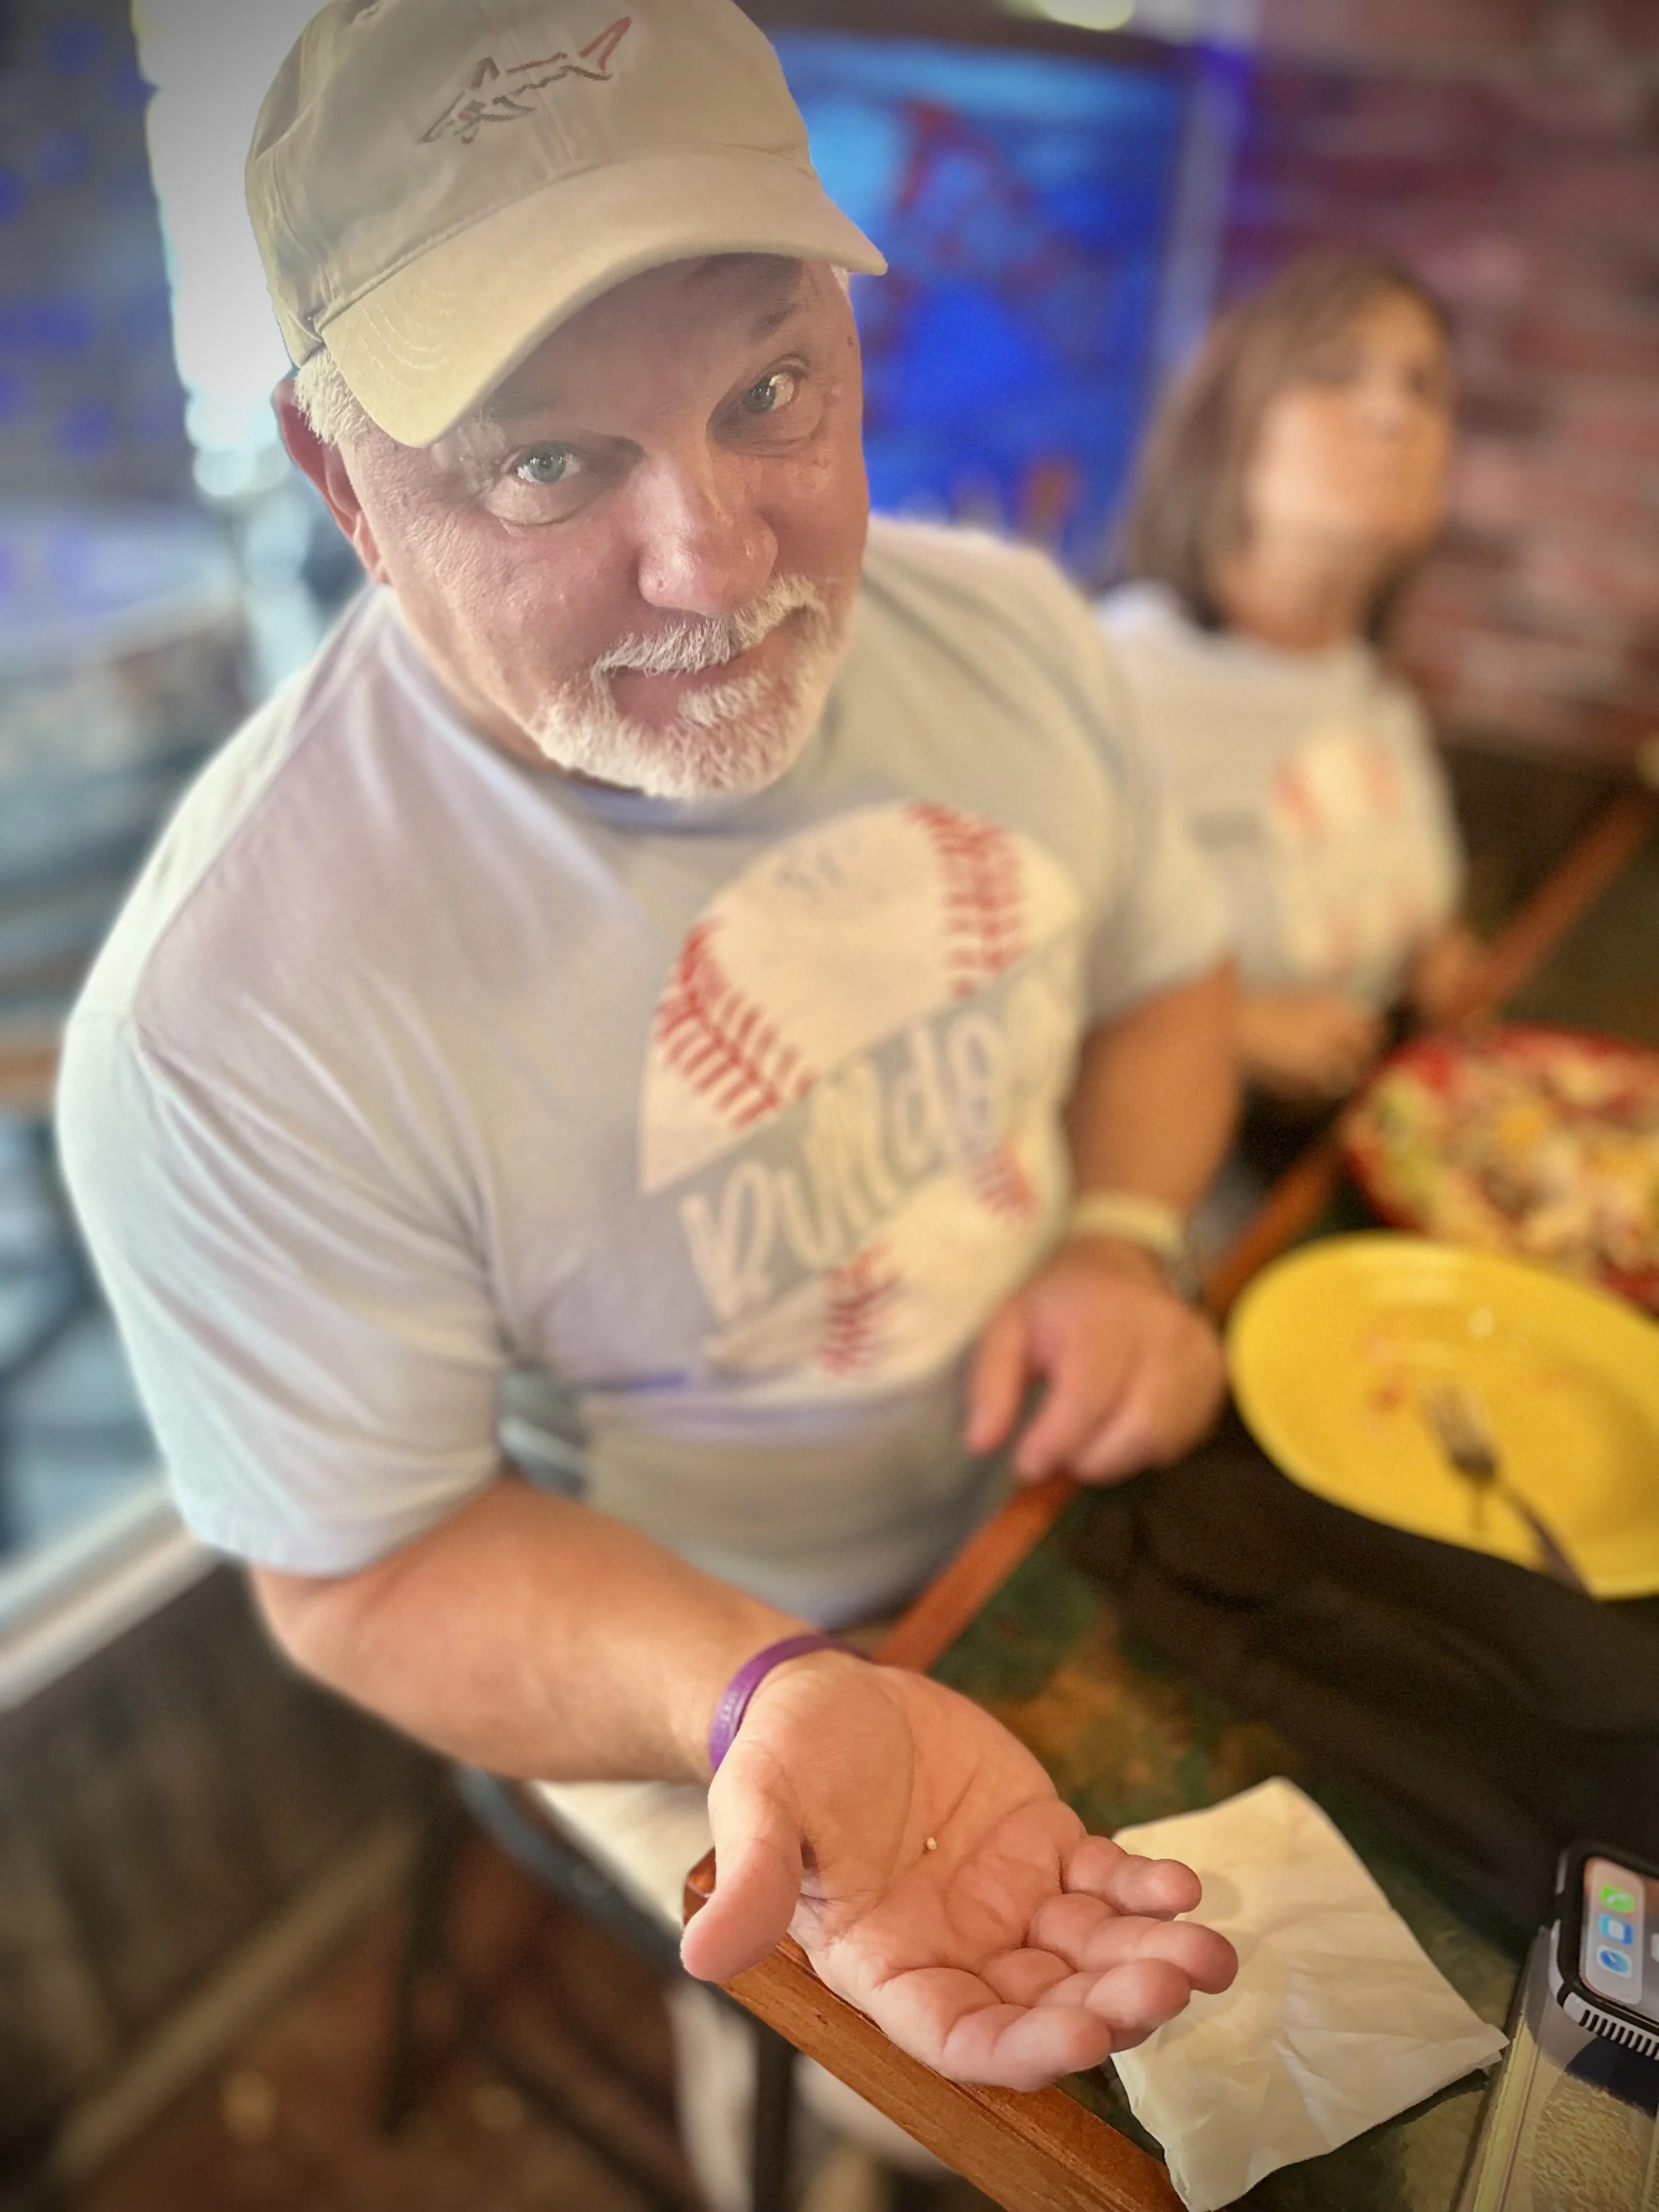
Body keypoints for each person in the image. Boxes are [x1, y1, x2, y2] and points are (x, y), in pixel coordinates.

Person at [56, 0, 1242, 2126]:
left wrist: (1130, 1233)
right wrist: (752, 1686)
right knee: (956, 2102)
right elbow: (371, 1559)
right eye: (541, 457)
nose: (715, 563)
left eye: (768, 387)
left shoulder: (1019, 638)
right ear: (337, 474)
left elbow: (1165, 980)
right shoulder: (233, 1017)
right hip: (692, 1666)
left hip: (1076, 1512)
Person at [1100, 248, 1486, 1123]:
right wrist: (1229, 1025)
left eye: (1424, 386)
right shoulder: (1111, 679)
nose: (1393, 414)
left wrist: (1432, 963)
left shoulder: (1372, 689)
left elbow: (1383, 899)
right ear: (1227, 421)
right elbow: (1002, 973)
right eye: (1335, 374)